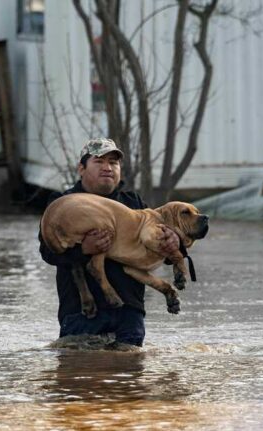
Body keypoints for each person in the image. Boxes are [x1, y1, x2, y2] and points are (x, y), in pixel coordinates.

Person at [39, 138, 179, 347]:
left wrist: (174, 243)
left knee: (128, 377)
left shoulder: (134, 203)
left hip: (129, 314)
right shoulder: (63, 202)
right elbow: (47, 251)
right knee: (80, 376)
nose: (107, 168)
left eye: (113, 162)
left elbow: (157, 247)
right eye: (99, 161)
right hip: (81, 313)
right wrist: (83, 249)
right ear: (81, 168)